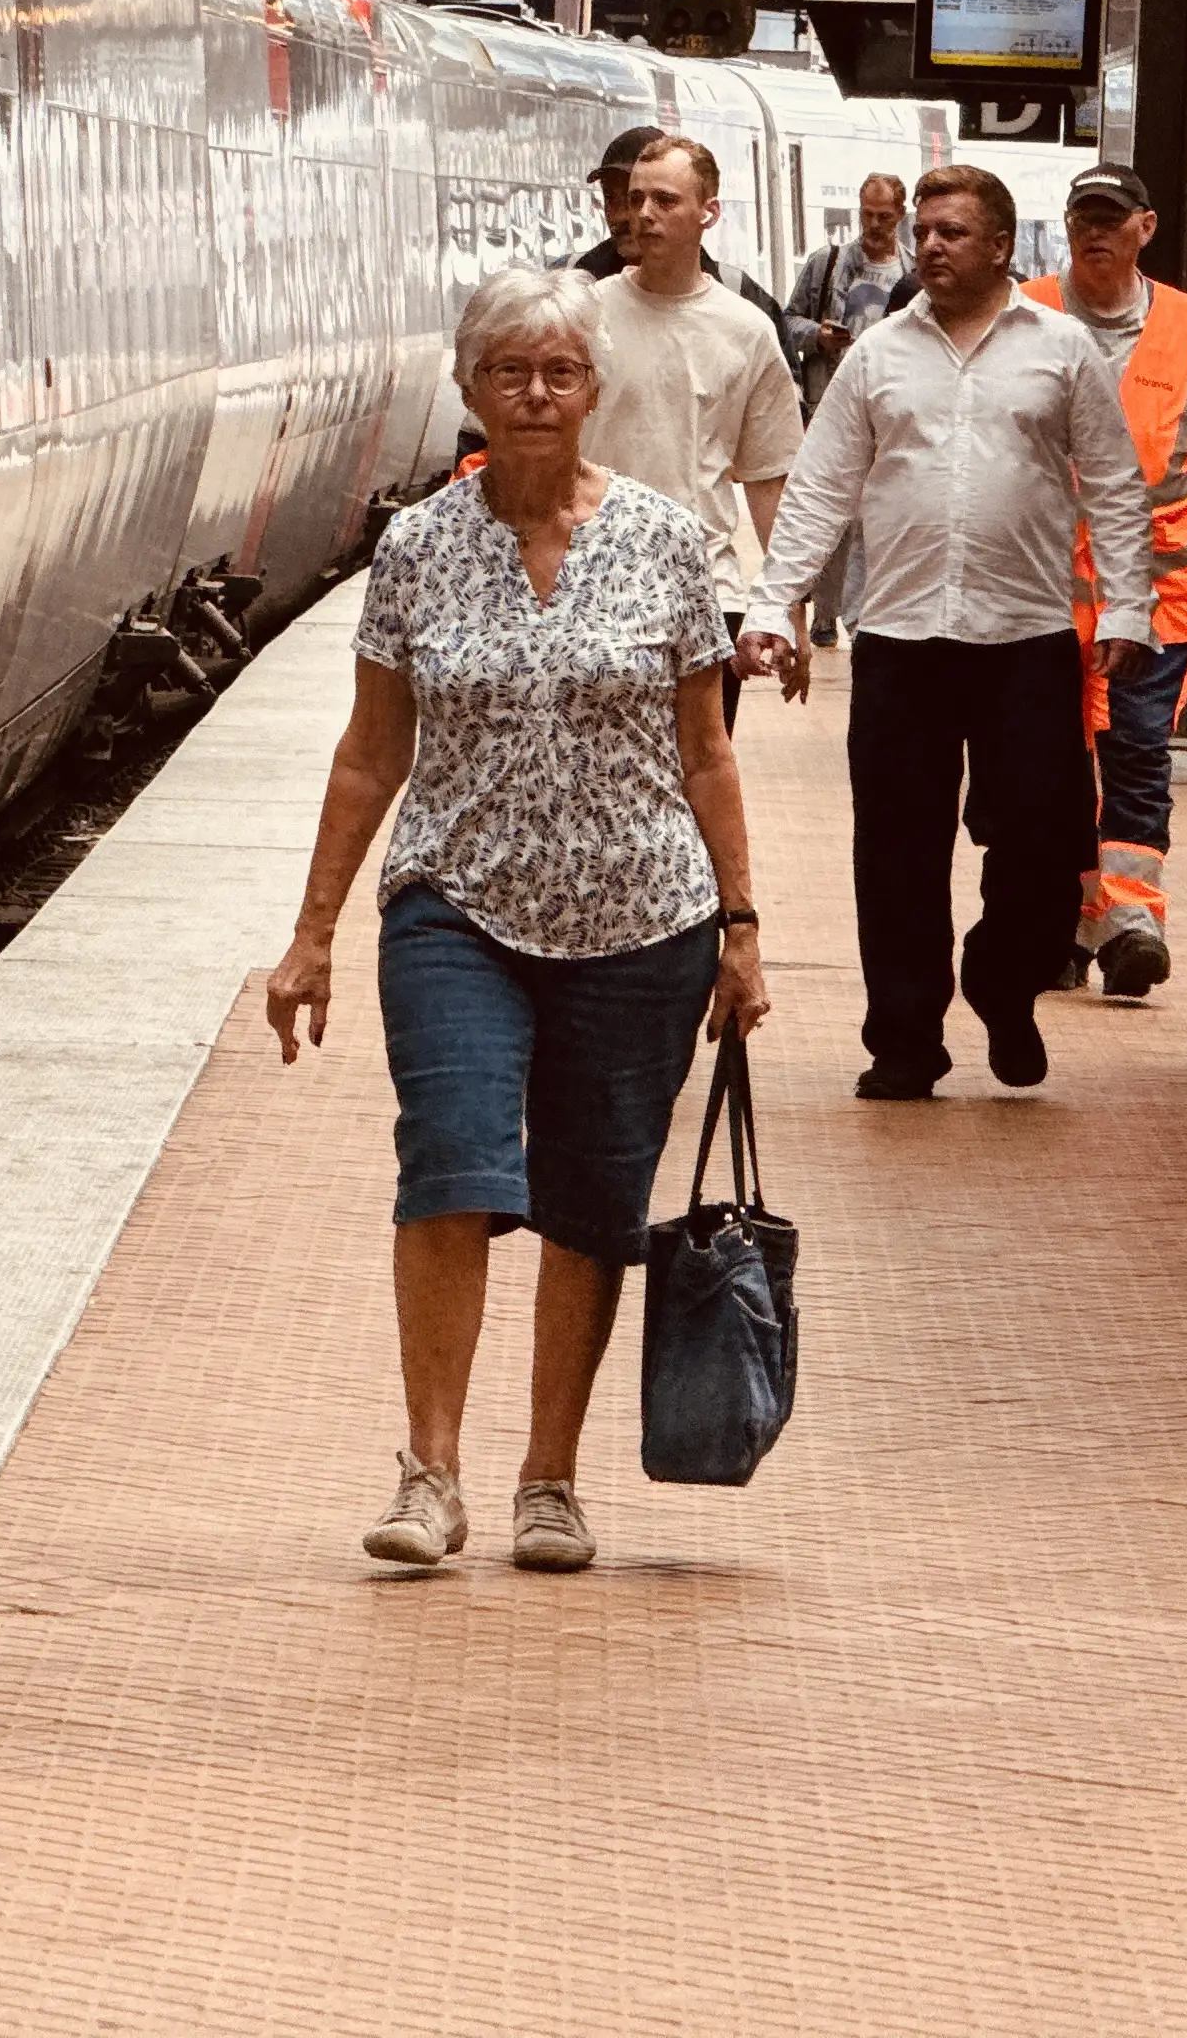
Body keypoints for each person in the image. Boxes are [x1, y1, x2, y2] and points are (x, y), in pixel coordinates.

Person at [271, 265, 767, 1576]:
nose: (535, 395)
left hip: (640, 915)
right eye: (509, 373)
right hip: (458, 902)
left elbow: (707, 753)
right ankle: (430, 1473)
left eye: (558, 373)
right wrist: (313, 929)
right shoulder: (418, 549)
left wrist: (740, 923)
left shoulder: (667, 542)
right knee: (452, 1162)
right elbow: (372, 754)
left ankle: (550, 1478)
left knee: (593, 1202)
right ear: (469, 389)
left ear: (594, 390)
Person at [738, 165, 1153, 1098]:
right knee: (897, 849)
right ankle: (904, 1040)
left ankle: (1003, 984)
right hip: (902, 641)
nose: (929, 245)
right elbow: (820, 490)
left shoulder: (1063, 350)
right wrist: (774, 602)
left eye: (952, 232)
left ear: (1000, 247)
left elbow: (1116, 485)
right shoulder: (877, 355)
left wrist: (1129, 605)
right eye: (924, 230)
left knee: (1045, 847)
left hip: (1027, 637)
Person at [1023, 163, 1187, 998]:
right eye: (1080, 217)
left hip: (1162, 603)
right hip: (1035, 601)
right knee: (1050, 766)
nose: (1093, 232)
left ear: (1147, 227)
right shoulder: (1023, 315)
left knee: (1135, 754)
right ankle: (1067, 920)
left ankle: (1131, 920)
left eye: (1111, 218)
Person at [590, 133, 804, 729]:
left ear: (709, 212)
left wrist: (788, 613)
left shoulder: (747, 331)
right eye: (636, 199)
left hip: (705, 595)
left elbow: (768, 482)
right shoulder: (584, 315)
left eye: (665, 200)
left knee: (698, 783)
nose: (643, 214)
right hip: (588, 588)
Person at [785, 172, 914, 644]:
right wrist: (817, 336)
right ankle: (826, 614)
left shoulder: (912, 272)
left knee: (874, 512)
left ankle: (863, 613)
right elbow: (789, 319)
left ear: (900, 215)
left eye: (884, 216)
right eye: (867, 215)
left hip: (890, 407)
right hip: (831, 401)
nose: (874, 225)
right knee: (834, 507)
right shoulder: (829, 264)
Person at [571, 123, 801, 370]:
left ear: (708, 212)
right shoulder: (575, 287)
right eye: (612, 198)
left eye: (663, 200)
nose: (623, 216)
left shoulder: (743, 300)